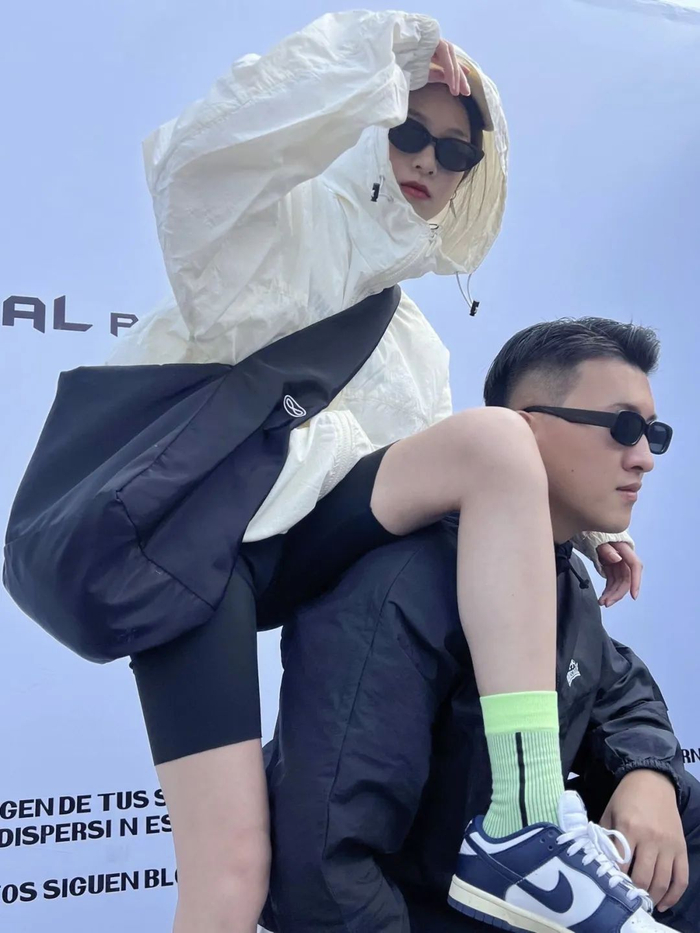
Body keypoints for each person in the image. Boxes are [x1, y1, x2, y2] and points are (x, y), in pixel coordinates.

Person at [3, 13, 637, 933]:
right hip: (200, 558)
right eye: (407, 128)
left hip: (306, 543)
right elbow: (204, 158)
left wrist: (580, 527)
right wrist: (381, 48)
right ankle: (520, 819)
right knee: (230, 875)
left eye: (454, 150)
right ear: (369, 118)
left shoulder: (413, 338)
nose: (427, 160)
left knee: (497, 444)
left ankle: (526, 814)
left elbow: (450, 486)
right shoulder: (280, 224)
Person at [262, 317, 694, 933]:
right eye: (623, 427)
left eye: (655, 433)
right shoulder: (401, 586)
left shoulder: (566, 576)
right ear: (521, 429)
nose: (645, 458)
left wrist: (648, 774)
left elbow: (622, 689)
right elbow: (323, 869)